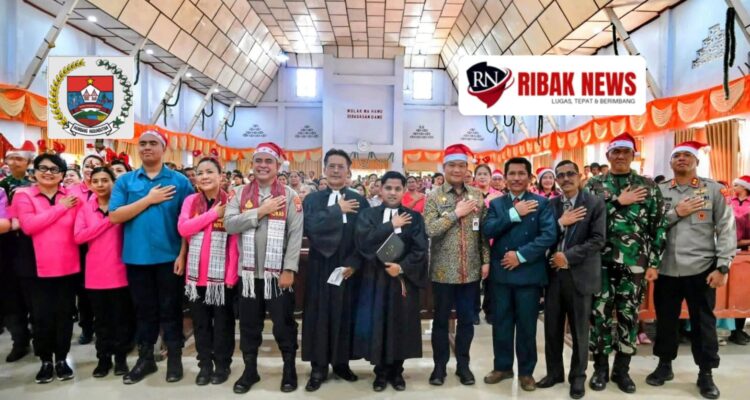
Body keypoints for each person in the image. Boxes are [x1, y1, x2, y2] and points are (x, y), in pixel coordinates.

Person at [647, 141, 735, 400]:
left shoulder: (714, 190)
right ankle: (664, 365)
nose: (682, 159)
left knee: (703, 324)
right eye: (677, 156)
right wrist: (676, 212)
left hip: (702, 269)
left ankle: (706, 373)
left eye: (687, 155)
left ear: (696, 161)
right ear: (671, 162)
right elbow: (649, 225)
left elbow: (727, 228)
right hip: (666, 269)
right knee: (665, 321)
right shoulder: (658, 191)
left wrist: (723, 265)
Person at [109, 130, 194, 384]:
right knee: (144, 312)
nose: (147, 147)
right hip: (137, 258)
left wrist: (182, 254)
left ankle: (175, 359)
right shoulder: (126, 181)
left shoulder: (179, 181)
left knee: (171, 310)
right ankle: (146, 359)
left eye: (153, 143)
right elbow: (115, 216)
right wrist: (148, 199)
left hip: (169, 258)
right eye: (142, 143)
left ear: (163, 148)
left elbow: (186, 222)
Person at [586, 132, 666, 394]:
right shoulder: (594, 186)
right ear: (607, 155)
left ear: (633, 155)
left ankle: (622, 370)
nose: (620, 156)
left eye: (625, 152)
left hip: (635, 264)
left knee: (628, 315)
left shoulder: (648, 186)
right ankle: (600, 368)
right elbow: (585, 221)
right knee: (599, 315)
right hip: (599, 263)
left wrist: (654, 263)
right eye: (616, 152)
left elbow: (658, 226)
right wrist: (617, 202)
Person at [225, 143, 303, 393]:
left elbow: (295, 234)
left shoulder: (289, 195)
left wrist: (289, 269)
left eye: (268, 161)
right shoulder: (238, 194)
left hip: (278, 274)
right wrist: (260, 212)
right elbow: (229, 224)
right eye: (258, 160)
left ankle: (289, 368)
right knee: (249, 324)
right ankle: (250, 370)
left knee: (283, 324)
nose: (263, 165)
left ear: (277, 166)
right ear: (252, 164)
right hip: (248, 275)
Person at [482, 157, 557, 392]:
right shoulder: (496, 204)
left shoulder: (541, 203)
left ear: (529, 177)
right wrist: (514, 213)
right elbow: (488, 229)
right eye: (512, 174)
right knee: (501, 324)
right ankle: (502, 367)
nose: (516, 178)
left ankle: (526, 372)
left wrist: (521, 255)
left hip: (529, 274)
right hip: (501, 275)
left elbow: (548, 235)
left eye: (521, 173)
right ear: (505, 177)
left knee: (527, 326)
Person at [301, 149, 369, 392]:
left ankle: (341, 363)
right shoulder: (312, 200)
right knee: (319, 315)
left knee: (344, 314)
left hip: (347, 267)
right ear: (324, 169)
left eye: (341, 167)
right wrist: (336, 210)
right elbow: (309, 227)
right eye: (332, 166)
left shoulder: (359, 200)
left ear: (348, 171)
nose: (336, 170)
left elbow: (365, 235)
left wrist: (355, 263)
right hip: (320, 265)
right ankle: (318, 367)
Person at [353, 171, 428, 392]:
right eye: (388, 188)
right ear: (380, 189)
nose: (393, 192)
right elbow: (363, 242)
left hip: (401, 280)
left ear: (404, 191)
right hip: (374, 279)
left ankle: (397, 371)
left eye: (397, 188)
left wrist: (401, 267)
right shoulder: (368, 215)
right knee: (378, 323)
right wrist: (390, 224)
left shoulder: (414, 217)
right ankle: (380, 372)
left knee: (400, 324)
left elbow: (420, 249)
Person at [538, 160, 605, 399]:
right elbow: (544, 235)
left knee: (579, 331)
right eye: (561, 175)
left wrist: (567, 256)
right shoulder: (551, 205)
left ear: (579, 176)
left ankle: (578, 378)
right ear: (556, 180)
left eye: (570, 174)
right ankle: (554, 373)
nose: (566, 178)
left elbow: (598, 239)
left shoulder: (594, 203)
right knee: (552, 329)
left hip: (580, 274)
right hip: (553, 276)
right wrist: (559, 225)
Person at [423, 144, 490, 386]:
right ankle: (439, 367)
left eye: (462, 165)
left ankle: (463, 366)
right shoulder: (433, 196)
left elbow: (483, 233)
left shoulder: (477, 195)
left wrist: (486, 260)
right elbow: (430, 229)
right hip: (442, 271)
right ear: (444, 167)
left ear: (467, 169)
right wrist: (456, 213)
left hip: (470, 270)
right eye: (452, 165)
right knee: (441, 321)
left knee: (467, 321)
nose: (457, 170)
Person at [14, 153, 81, 383]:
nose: (48, 173)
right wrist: (61, 208)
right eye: (43, 168)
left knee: (65, 316)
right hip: (35, 268)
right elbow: (29, 226)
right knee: (41, 317)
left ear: (62, 174)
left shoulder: (72, 196)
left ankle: (61, 359)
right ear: (34, 172)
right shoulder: (24, 195)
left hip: (68, 265)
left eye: (54, 169)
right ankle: (45, 361)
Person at [177, 157, 239, 386]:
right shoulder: (191, 201)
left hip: (222, 278)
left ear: (221, 176)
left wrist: (231, 274)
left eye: (209, 171)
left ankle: (222, 365)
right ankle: (205, 365)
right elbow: (184, 228)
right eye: (200, 172)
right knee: (201, 324)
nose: (204, 176)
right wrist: (213, 214)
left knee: (223, 325)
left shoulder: (232, 201)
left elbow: (235, 241)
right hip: (195, 278)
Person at [74, 167, 133, 378]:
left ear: (113, 183)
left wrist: (114, 216)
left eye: (105, 180)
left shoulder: (124, 207)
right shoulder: (85, 208)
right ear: (90, 184)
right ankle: (103, 359)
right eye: (96, 181)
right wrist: (110, 220)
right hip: (95, 273)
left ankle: (121, 359)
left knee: (121, 320)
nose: (100, 184)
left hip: (121, 271)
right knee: (101, 321)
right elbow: (79, 237)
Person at [0, 140, 36, 363]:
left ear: (29, 162)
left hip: (31, 244)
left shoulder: (35, 184)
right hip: (6, 246)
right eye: (10, 158)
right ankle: (19, 340)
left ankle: (40, 335)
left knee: (33, 294)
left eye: (19, 158)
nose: (14, 162)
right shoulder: (2, 186)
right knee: (10, 295)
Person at [71, 153, 105, 345]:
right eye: (88, 165)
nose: (91, 169)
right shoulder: (73, 191)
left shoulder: (109, 189)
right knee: (83, 290)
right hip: (81, 245)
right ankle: (86, 327)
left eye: (95, 165)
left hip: (105, 245)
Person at [729, 175, 750, 345]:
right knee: (727, 291)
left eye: (736, 185)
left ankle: (738, 330)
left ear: (744, 188)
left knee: (741, 291)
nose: (733, 187)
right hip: (728, 247)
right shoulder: (729, 201)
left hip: (745, 249)